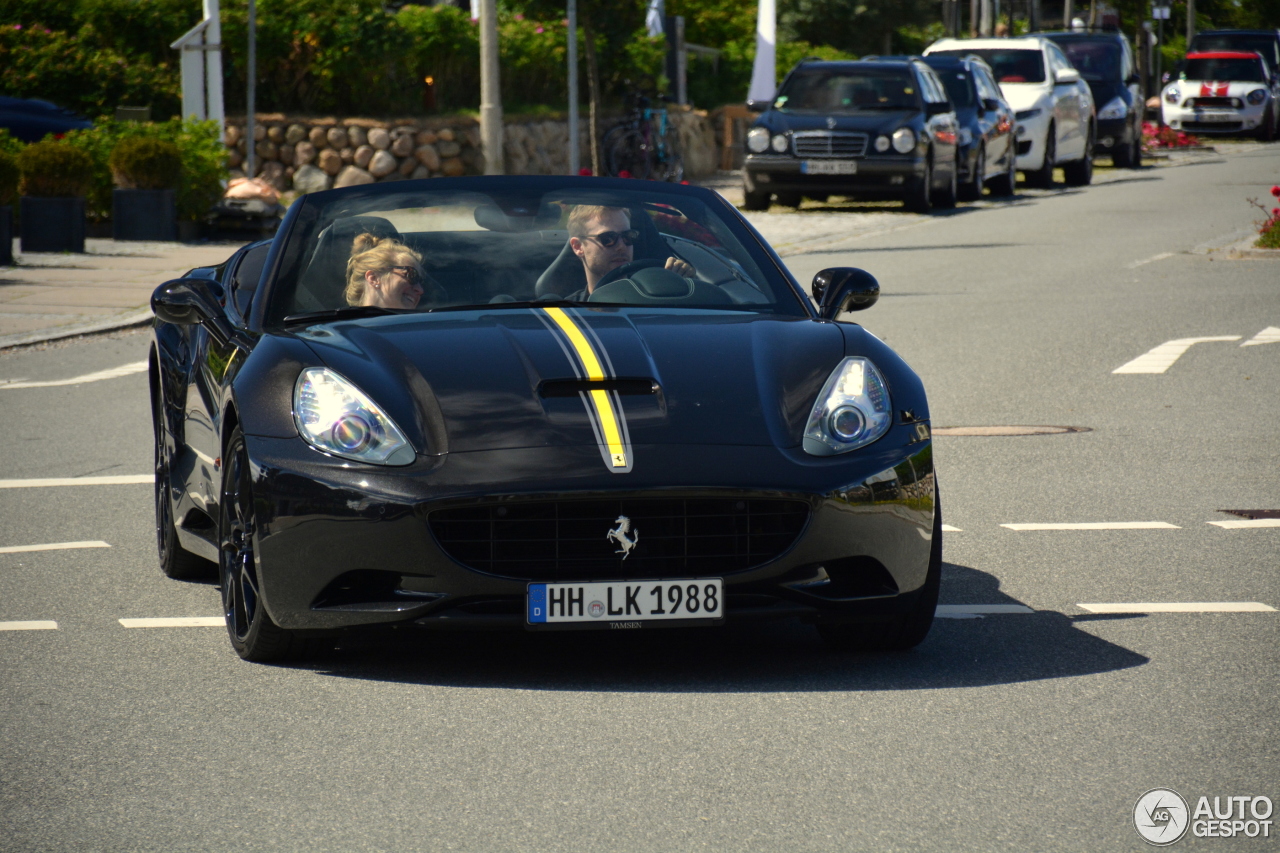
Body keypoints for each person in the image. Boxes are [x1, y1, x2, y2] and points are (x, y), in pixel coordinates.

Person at [561, 204, 694, 300]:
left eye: (628, 236)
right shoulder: (566, 314)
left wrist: (683, 283)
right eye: (608, 238)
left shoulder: (659, 299)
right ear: (578, 247)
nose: (621, 246)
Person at [343, 232, 436, 309]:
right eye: (411, 275)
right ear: (374, 278)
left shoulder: (424, 329)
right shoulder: (343, 329)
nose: (420, 290)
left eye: (420, 281)